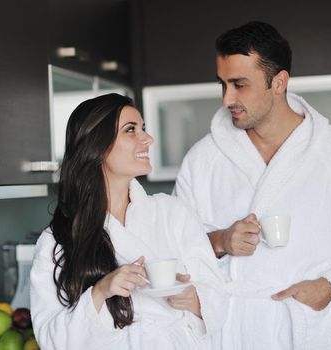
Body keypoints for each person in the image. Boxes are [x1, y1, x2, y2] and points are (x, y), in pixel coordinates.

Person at [174, 21, 331, 349]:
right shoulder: (202, 160)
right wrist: (221, 240)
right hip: (235, 331)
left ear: (279, 82)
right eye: (222, 84)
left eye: (239, 84)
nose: (227, 99)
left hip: (311, 329)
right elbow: (175, 250)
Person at [30, 93, 227, 349]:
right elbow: (51, 340)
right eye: (131, 130)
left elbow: (218, 297)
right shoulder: (58, 239)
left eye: (143, 128)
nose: (148, 138)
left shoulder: (173, 213)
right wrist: (102, 291)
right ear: (97, 146)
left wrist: (192, 298)